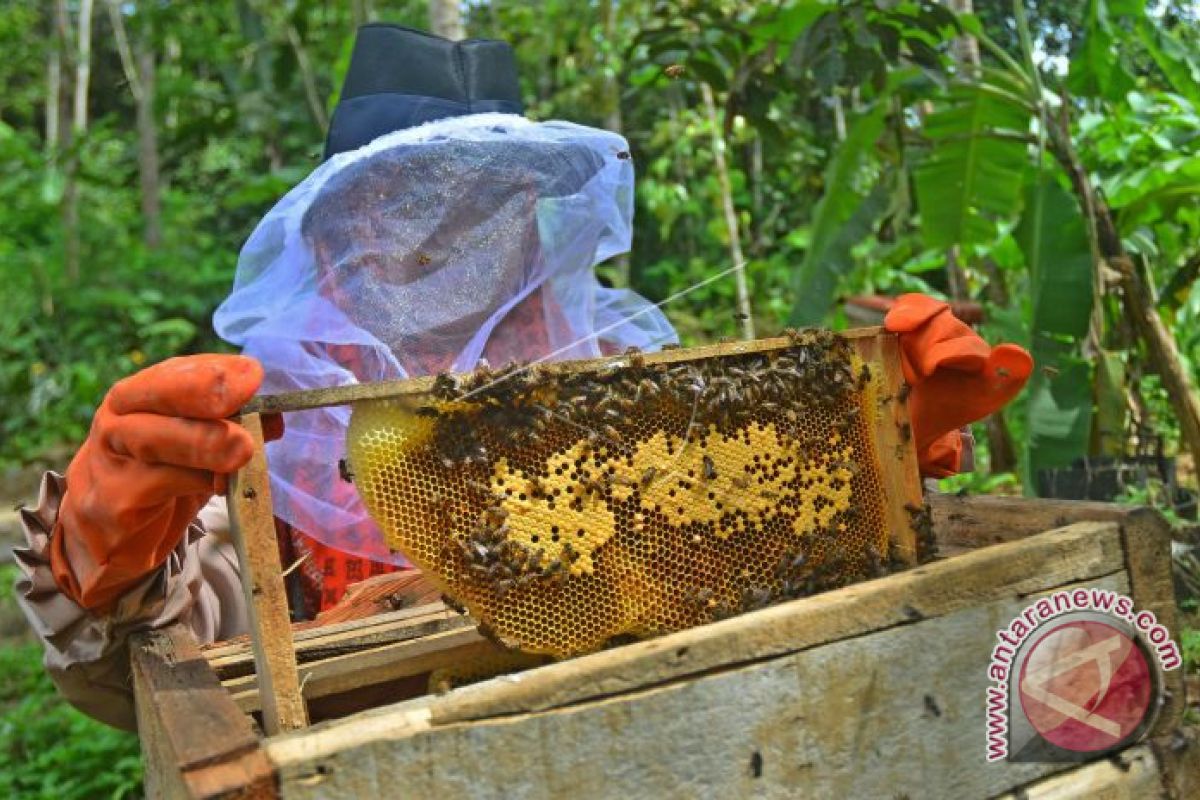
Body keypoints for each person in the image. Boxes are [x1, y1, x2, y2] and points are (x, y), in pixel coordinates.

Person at [14, 24, 1032, 731]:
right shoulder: (272, 446)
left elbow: (756, 550)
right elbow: (164, 665)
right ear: (338, 235)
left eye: (492, 203)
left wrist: (870, 446)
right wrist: (103, 565)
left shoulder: (620, 388)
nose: (455, 235)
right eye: (414, 204)